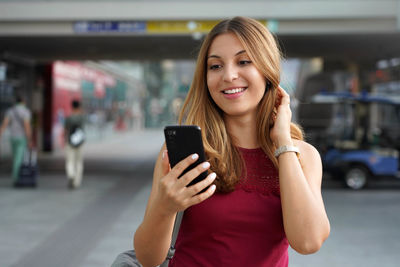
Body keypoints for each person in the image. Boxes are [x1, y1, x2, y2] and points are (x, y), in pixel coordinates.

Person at [134, 17, 330, 266]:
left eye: (244, 61)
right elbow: (148, 259)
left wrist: (282, 142)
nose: (228, 75)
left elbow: (308, 242)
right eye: (215, 66)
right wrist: (165, 207)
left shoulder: (302, 155)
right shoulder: (188, 152)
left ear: (268, 71)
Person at [0, 95, 33, 185]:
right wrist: (29, 139)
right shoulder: (26, 112)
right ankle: (17, 178)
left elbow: (5, 123)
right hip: (22, 138)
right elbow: (27, 126)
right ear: (23, 101)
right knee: (19, 158)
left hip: (13, 137)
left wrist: (0, 133)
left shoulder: (10, 111)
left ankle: (16, 176)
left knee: (15, 157)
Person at [64, 99, 85, 189]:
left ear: (72, 106)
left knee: (70, 160)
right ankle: (77, 182)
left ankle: (71, 174)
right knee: (79, 162)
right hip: (80, 141)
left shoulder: (69, 118)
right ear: (79, 106)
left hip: (70, 141)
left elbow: (65, 129)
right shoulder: (82, 117)